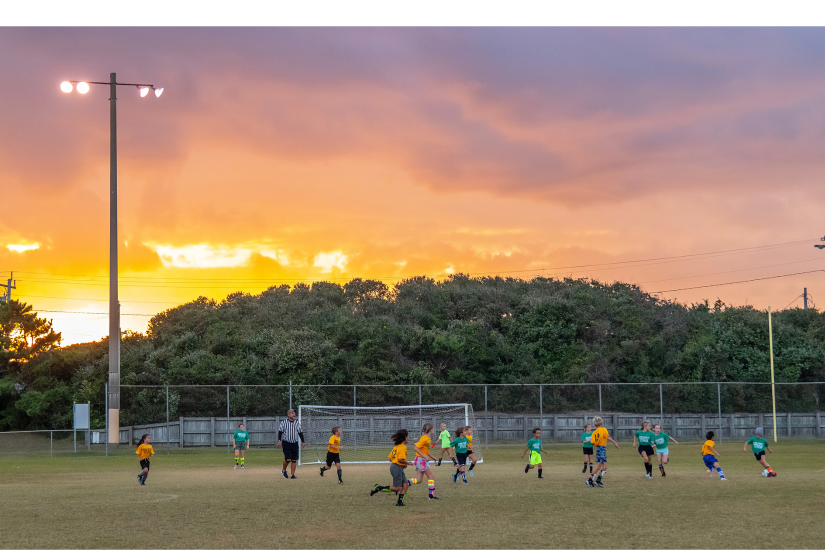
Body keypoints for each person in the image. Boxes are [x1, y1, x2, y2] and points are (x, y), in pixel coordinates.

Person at [370, 429, 411, 506]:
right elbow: (400, 459)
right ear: (405, 437)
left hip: (395, 467)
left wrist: (402, 464)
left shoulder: (396, 447)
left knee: (405, 485)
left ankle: (400, 502)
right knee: (397, 488)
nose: (408, 438)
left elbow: (390, 459)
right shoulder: (403, 447)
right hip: (397, 468)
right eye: (407, 437)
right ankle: (379, 488)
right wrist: (407, 463)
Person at [587, 416, 618, 488]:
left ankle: (598, 480)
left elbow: (592, 442)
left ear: (595, 424)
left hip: (599, 448)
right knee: (599, 466)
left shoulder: (594, 432)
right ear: (601, 423)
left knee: (605, 467)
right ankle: (590, 480)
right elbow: (608, 437)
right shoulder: (604, 429)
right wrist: (615, 442)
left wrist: (598, 443)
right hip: (602, 449)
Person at [411, 423, 439, 499]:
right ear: (431, 430)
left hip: (421, 459)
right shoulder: (424, 438)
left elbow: (424, 450)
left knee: (419, 480)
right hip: (421, 460)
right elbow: (416, 448)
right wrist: (424, 456)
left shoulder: (427, 438)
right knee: (431, 477)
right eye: (433, 429)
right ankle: (431, 495)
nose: (434, 430)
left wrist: (432, 457)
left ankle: (406, 483)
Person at [277, 409, 305, 479]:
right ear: (288, 415)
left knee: (294, 460)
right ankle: (283, 470)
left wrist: (303, 441)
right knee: (288, 459)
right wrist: (279, 441)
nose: (294, 414)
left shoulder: (297, 423)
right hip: (286, 443)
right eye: (292, 413)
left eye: (294, 413)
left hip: (294, 443)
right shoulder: (284, 423)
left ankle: (292, 475)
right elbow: (280, 432)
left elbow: (300, 432)